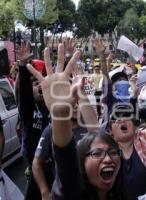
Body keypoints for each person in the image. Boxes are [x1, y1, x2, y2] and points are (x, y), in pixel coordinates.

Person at [27, 44, 126, 200]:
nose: (107, 159)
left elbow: (96, 134)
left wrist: (79, 89)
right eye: (96, 154)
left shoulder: (117, 192)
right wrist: (59, 113)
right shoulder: (74, 190)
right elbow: (60, 159)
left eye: (113, 152)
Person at [17, 41, 50, 200]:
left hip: (55, 170)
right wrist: (23, 65)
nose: (40, 86)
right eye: (35, 84)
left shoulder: (53, 108)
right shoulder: (29, 108)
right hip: (35, 171)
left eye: (42, 82)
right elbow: (23, 91)